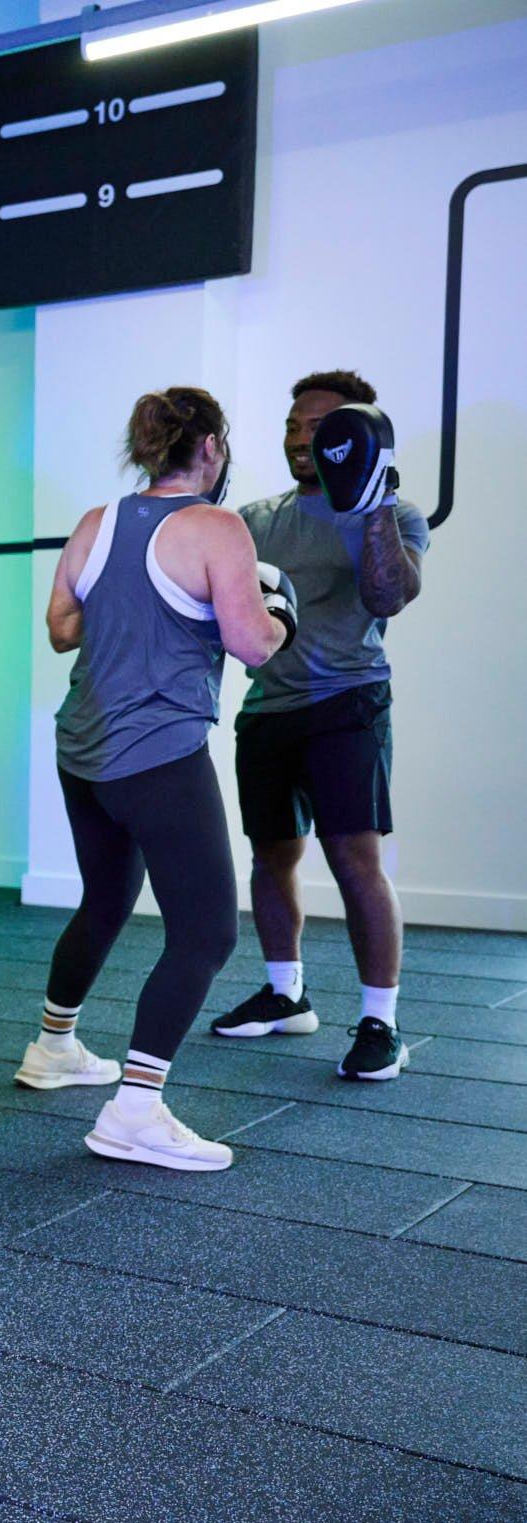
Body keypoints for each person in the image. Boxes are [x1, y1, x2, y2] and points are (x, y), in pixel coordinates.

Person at [23, 387, 294, 1173]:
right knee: (206, 932)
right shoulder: (217, 527)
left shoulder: (95, 523)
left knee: (107, 899)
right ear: (209, 447)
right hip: (158, 755)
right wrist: (282, 610)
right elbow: (253, 644)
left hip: (83, 751)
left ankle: (53, 1046)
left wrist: (130, 607)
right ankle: (135, 1110)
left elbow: (62, 628)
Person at [209, 371, 427, 1080]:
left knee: (354, 861)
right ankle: (286, 994)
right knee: (270, 856)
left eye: (320, 428)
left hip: (347, 704)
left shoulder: (396, 515)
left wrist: (372, 503)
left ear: (355, 436)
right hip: (269, 708)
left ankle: (381, 1022)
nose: (301, 438)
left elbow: (388, 597)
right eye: (293, 425)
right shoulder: (253, 520)